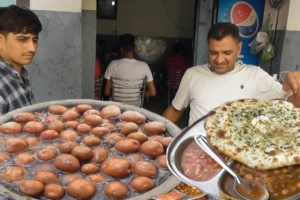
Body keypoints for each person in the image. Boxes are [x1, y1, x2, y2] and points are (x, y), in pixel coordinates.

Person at [163, 22, 300, 125]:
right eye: (213, 53)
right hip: (198, 151)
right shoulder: (192, 74)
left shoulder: (255, 75)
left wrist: (296, 88)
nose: (219, 60)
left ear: (238, 48)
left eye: (227, 53)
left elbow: (291, 105)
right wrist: (156, 134)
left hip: (236, 156)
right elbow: (175, 111)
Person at [0, 5, 42, 115]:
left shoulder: (19, 73)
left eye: (35, 40)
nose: (32, 48)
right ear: (1, 40)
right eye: (22, 39)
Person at [104, 34, 156, 106]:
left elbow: (106, 92)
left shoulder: (112, 64)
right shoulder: (144, 66)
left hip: (116, 108)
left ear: (121, 49)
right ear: (135, 48)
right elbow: (153, 92)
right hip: (134, 109)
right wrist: (137, 95)